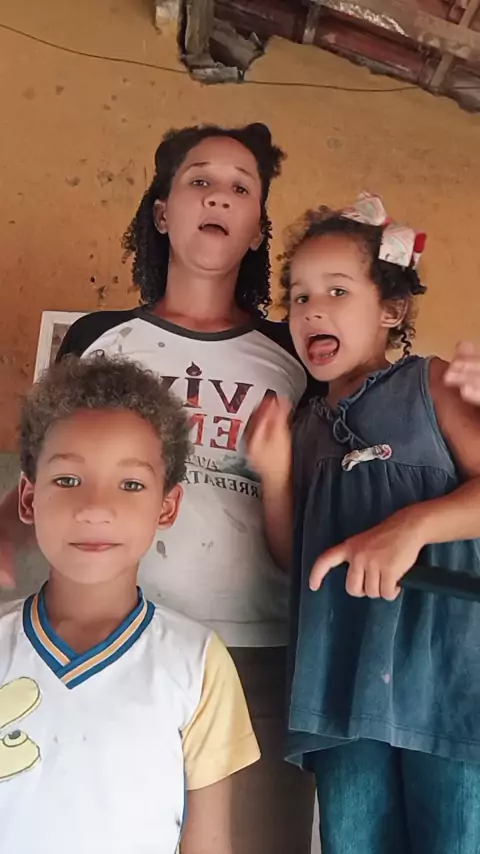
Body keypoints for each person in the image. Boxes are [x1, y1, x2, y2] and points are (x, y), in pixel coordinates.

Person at [0, 123, 316, 854]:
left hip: (253, 652)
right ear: (163, 212)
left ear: (257, 227)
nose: (218, 196)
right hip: (103, 636)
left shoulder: (291, 354)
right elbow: (51, 465)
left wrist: (276, 476)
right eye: (199, 180)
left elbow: (301, 525)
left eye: (240, 187)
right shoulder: (100, 338)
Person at [246, 194, 480, 854]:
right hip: (343, 689)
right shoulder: (304, 426)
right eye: (298, 296)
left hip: (447, 685)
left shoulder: (430, 386)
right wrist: (274, 476)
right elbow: (296, 559)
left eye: (337, 291)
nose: (311, 309)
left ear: (390, 309)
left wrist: (412, 526)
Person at [0, 353, 261, 854]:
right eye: (68, 480)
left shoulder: (196, 664)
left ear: (167, 506)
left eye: (131, 484)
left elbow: (208, 844)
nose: (96, 507)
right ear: (28, 499)